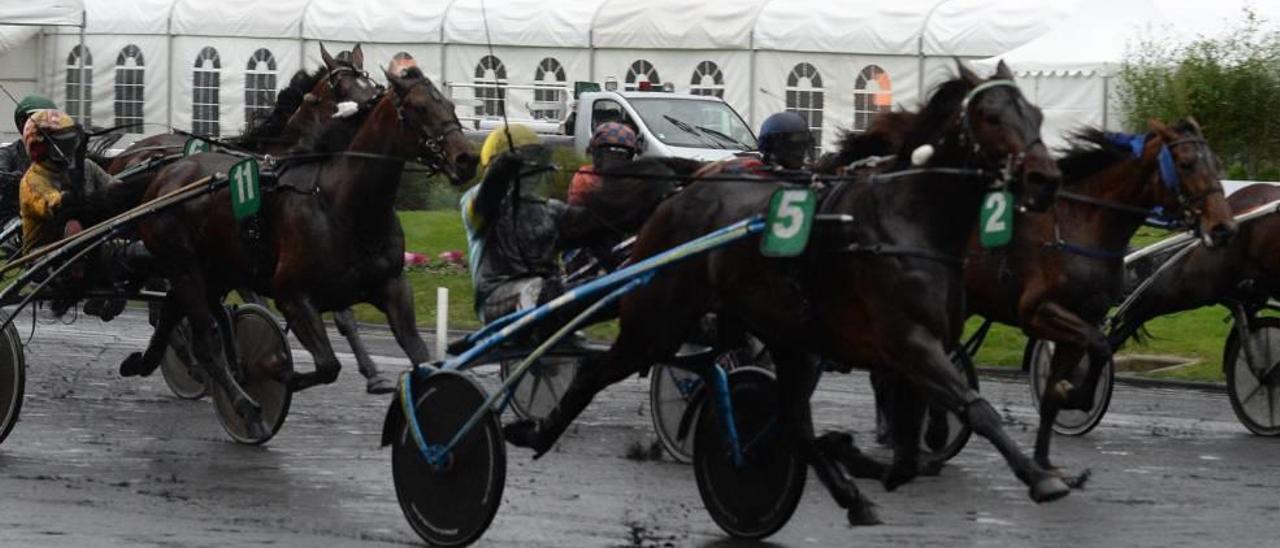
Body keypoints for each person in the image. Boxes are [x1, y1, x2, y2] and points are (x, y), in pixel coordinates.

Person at [461, 124, 604, 325]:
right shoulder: (474, 201)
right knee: (538, 288)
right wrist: (501, 171)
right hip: (496, 300)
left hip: (547, 294)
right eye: (527, 165)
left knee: (603, 287)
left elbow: (595, 225)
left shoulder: (550, 209)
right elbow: (487, 198)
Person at [19, 109, 146, 319]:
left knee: (142, 253)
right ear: (40, 146)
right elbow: (62, 207)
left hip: (91, 245)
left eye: (70, 143)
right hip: (45, 255)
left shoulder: (86, 167)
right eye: (62, 144)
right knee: (74, 225)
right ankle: (94, 280)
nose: (67, 150)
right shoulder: (32, 181)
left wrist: (141, 189)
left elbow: (115, 190)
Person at [690, 111, 814, 179]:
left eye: (802, 145)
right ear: (771, 146)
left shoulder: (810, 176)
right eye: (791, 147)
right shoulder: (750, 171)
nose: (799, 153)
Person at [567, 122, 638, 207]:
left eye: (622, 153)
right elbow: (575, 207)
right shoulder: (584, 177)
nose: (616, 158)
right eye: (610, 151)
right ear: (597, 155)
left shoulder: (637, 181)